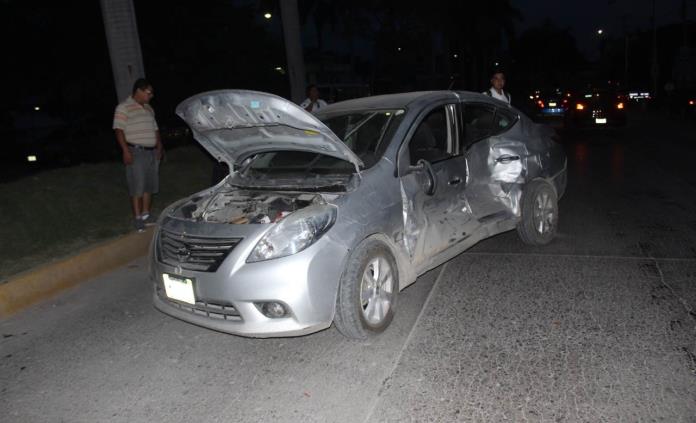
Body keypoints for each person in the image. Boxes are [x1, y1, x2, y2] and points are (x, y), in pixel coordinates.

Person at [112, 78, 164, 232]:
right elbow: (118, 130)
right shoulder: (123, 107)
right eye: (149, 92)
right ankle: (137, 219)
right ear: (139, 91)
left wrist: (159, 146)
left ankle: (146, 215)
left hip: (151, 152)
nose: (151, 95)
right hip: (136, 151)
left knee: (149, 185)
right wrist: (125, 150)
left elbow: (155, 129)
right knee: (137, 186)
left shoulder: (149, 109)